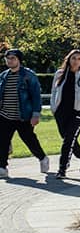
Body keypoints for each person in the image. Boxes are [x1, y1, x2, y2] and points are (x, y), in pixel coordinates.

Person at [0, 49, 50, 178]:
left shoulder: (28, 75)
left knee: (29, 140)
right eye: (7, 58)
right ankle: (2, 167)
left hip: (23, 116)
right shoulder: (3, 76)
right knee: (2, 141)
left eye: (12, 58)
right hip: (5, 115)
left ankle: (42, 157)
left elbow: (36, 96)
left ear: (19, 60)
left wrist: (36, 114)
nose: (9, 60)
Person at [49, 49, 80, 179]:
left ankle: (62, 169)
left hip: (77, 112)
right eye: (74, 58)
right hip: (60, 113)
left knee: (68, 140)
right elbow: (54, 93)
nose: (76, 61)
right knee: (69, 140)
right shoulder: (59, 74)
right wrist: (53, 108)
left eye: (79, 59)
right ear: (69, 59)